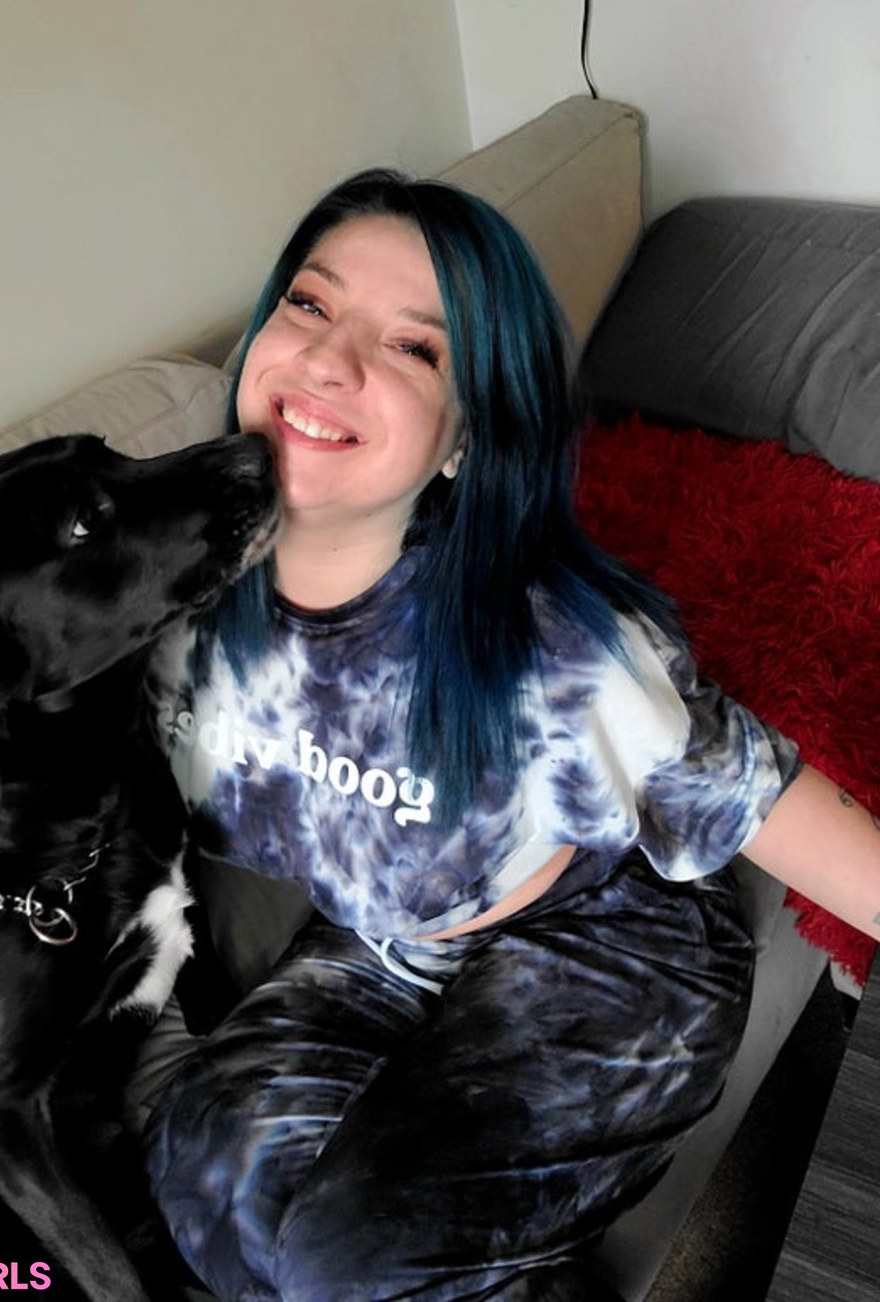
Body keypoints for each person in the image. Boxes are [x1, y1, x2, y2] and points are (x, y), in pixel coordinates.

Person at [140, 170, 880, 1302]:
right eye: (310, 303)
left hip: (608, 946)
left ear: (464, 437)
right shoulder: (159, 600)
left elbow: (766, 804)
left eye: (413, 347)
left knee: (352, 1257)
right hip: (384, 946)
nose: (329, 361)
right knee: (205, 1187)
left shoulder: (556, 648)